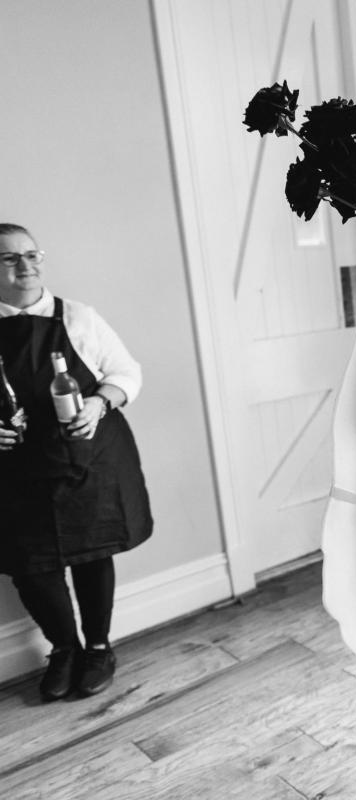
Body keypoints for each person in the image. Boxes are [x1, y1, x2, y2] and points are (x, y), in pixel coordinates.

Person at [0, 223, 152, 701]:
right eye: (9, 258)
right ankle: (65, 648)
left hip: (85, 458)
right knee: (32, 566)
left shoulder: (79, 318)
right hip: (16, 472)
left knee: (91, 553)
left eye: (31, 254)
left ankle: (99, 648)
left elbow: (128, 372)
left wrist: (99, 402)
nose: (25, 266)